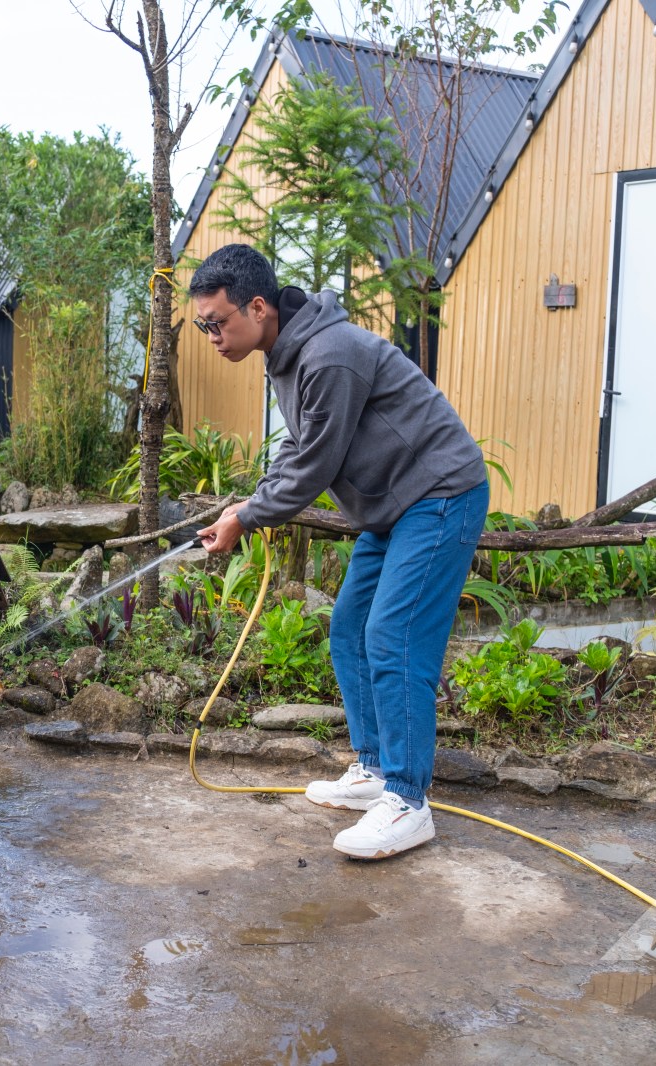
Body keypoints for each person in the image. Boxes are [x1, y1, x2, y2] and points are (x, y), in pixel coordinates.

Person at [193, 244, 488, 860]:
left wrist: (246, 516)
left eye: (217, 323)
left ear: (257, 306)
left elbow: (316, 465)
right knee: (350, 629)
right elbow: (300, 449)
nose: (212, 337)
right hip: (394, 504)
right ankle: (378, 770)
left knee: (394, 637)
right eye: (203, 326)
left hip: (438, 495)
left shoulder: (329, 355)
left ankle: (408, 801)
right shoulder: (286, 355)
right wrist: (248, 505)